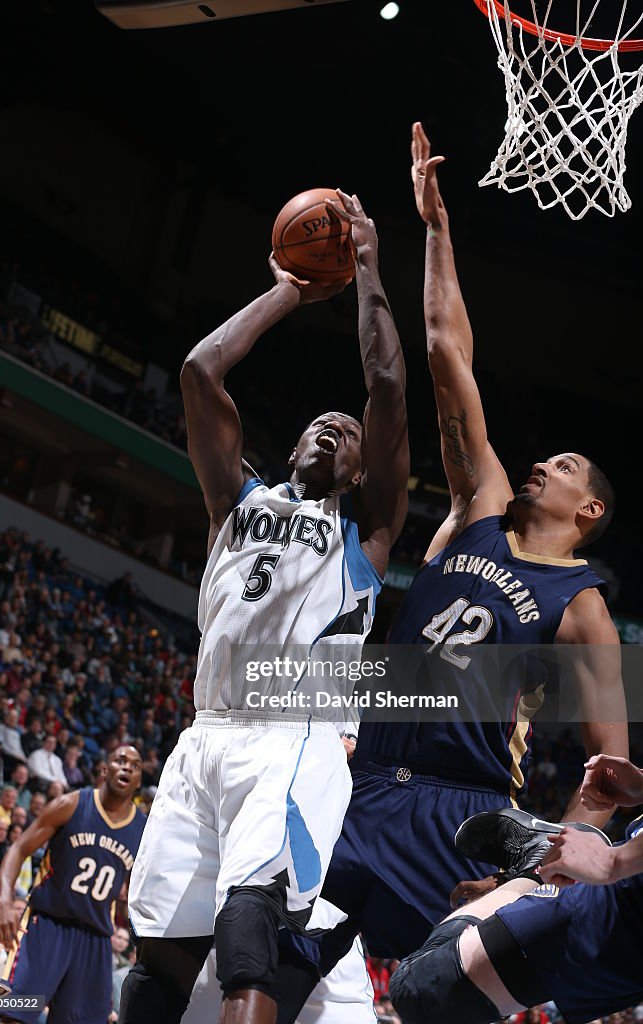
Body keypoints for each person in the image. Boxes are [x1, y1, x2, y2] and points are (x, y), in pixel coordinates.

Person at [270, 121, 628, 1024]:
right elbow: (443, 348)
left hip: (461, 813)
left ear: (587, 513)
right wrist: (436, 227)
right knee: (264, 964)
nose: (543, 464)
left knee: (446, 997)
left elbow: (611, 768)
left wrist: (567, 847)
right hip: (364, 779)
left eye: (567, 467)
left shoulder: (578, 605)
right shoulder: (481, 507)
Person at [120, 189, 409, 1024]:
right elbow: (200, 371)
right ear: (286, 447)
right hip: (205, 733)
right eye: (319, 425)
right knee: (161, 957)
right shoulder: (234, 503)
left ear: (363, 470)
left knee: (250, 933)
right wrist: (287, 287)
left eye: (345, 433)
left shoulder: (364, 527)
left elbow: (386, 384)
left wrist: (363, 268)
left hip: (292, 739)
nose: (332, 431)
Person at [389, 753, 643, 1024]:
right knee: (421, 990)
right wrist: (616, 860)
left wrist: (615, 857)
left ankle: (536, 867)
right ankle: (536, 867)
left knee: (427, 994)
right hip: (630, 902)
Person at [0, 745, 145, 1024]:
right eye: (120, 760)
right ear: (104, 769)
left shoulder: (143, 830)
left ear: (138, 780)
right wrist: (3, 900)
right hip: (48, 924)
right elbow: (18, 848)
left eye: (135, 766)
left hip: (96, 937)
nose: (126, 767)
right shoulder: (71, 805)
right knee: (15, 1013)